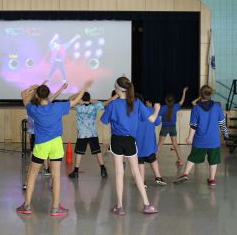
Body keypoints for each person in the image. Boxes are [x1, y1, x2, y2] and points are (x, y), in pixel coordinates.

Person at [17, 80, 92, 216]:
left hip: (41, 144)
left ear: (38, 97)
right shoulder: (58, 107)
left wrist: (33, 87)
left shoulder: (33, 109)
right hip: (56, 143)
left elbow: (23, 95)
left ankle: (27, 205)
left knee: (32, 174)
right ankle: (56, 208)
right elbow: (76, 101)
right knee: (56, 176)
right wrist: (84, 87)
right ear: (49, 95)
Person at [101, 76, 160, 215]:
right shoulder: (137, 103)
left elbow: (103, 121)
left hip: (116, 141)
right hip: (130, 141)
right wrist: (156, 109)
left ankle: (120, 207)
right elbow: (152, 119)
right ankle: (147, 204)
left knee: (119, 173)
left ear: (117, 90)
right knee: (136, 173)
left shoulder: (113, 105)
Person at [174, 85, 228, 186]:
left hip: (200, 140)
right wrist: (225, 135)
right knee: (213, 160)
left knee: (192, 157)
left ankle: (185, 174)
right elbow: (222, 122)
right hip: (214, 140)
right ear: (211, 94)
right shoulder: (217, 107)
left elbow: (194, 126)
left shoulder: (196, 108)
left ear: (200, 95)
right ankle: (212, 179)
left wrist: (189, 137)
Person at [22, 82, 68, 191]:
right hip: (39, 135)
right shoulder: (35, 106)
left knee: (36, 161)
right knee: (44, 159)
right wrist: (37, 87)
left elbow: (24, 94)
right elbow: (50, 97)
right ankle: (32, 180)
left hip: (39, 136)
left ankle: (32, 181)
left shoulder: (33, 106)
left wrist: (34, 87)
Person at [68, 92, 117, 179]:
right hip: (93, 133)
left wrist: (78, 95)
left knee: (79, 153)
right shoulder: (95, 106)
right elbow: (107, 102)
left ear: (81, 99)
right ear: (89, 98)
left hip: (82, 135)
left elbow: (69, 99)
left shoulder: (78, 107)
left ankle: (75, 172)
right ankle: (103, 170)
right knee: (97, 151)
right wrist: (116, 95)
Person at [135, 94, 166, 188]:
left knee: (140, 162)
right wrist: (154, 109)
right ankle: (158, 177)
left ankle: (142, 181)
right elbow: (157, 122)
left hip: (137, 143)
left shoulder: (132, 113)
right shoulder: (150, 110)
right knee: (153, 159)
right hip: (149, 142)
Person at [157, 87, 188, 166]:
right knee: (175, 144)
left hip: (164, 127)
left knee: (160, 144)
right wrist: (184, 92)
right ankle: (180, 160)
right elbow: (182, 101)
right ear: (173, 101)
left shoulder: (163, 108)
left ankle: (154, 159)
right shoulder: (176, 106)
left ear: (166, 100)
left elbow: (157, 114)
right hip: (172, 127)